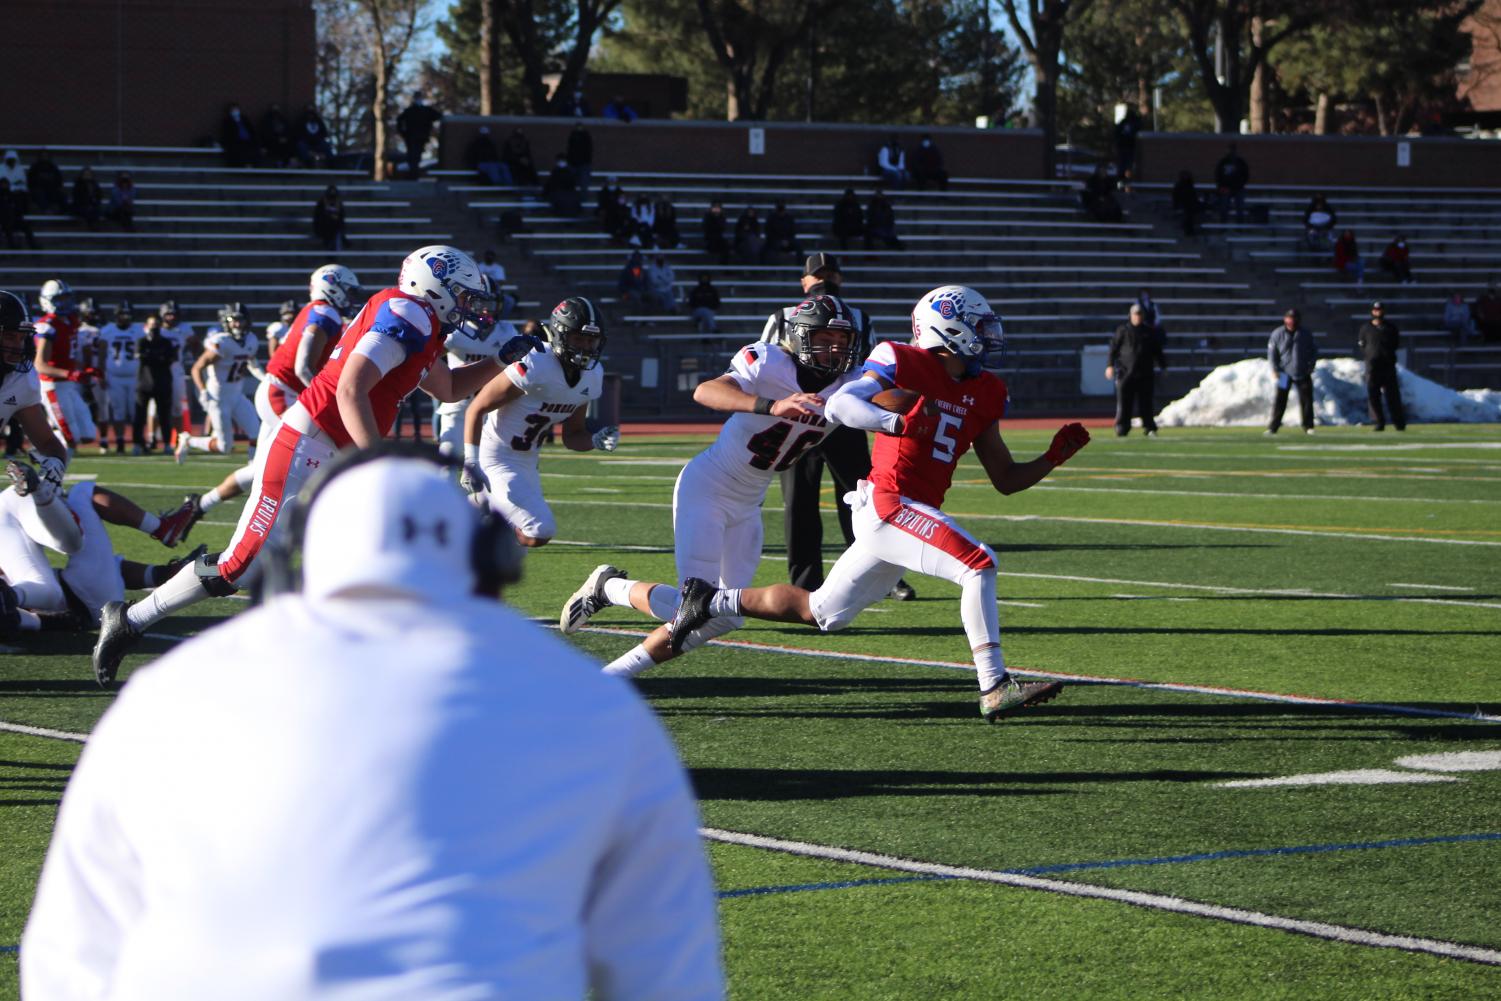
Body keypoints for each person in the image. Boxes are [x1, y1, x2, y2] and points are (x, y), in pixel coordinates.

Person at [27, 448, 725, 1000]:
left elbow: (71, 955)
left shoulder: (173, 691)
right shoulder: (587, 704)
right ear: (489, 559)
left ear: (300, 556)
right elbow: (666, 972)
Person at [663, 286, 1090, 723]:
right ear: (950, 327)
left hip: (911, 513)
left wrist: (1053, 457)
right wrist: (898, 421)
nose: (988, 335)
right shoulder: (901, 359)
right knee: (978, 563)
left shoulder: (986, 391)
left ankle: (711, 602)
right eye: (979, 327)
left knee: (822, 612)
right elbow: (844, 404)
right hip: (889, 504)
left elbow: (1006, 480)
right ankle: (994, 685)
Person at [93, 245, 506, 685]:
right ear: (434, 286)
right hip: (308, 446)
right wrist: (376, 465)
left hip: (331, 451)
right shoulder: (409, 313)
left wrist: (503, 358)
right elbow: (350, 390)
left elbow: (447, 388)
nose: (467, 306)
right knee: (239, 567)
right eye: (461, 295)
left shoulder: (420, 321)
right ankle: (130, 620)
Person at [558, 294, 860, 677]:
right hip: (708, 488)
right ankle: (609, 671)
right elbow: (705, 391)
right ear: (801, 337)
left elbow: (891, 397)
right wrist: (772, 405)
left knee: (725, 615)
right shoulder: (768, 361)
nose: (835, 348)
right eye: (824, 338)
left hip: (749, 502)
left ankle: (609, 591)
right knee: (696, 603)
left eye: (842, 340)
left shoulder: (852, 383)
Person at [758, 253, 911, 599]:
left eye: (831, 274)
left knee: (862, 499)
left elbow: (875, 369)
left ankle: (880, 574)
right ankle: (805, 583)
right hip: (798, 420)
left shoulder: (859, 318)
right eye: (817, 274)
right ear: (804, 282)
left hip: (844, 420)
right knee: (799, 504)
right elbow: (767, 365)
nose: (825, 280)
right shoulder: (782, 318)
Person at [461, 297, 619, 548]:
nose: (586, 347)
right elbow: (477, 408)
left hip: (528, 462)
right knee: (538, 531)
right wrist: (471, 462)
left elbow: (573, 435)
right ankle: (472, 521)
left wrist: (595, 440)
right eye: (579, 338)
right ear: (559, 335)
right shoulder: (536, 363)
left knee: (530, 538)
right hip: (496, 458)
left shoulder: (593, 376)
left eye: (591, 340)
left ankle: (473, 508)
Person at [2, 457, 203, 639]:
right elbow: (45, 592)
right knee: (82, 493)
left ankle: (167, 573)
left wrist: (38, 622)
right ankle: (162, 529)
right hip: (86, 596)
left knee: (107, 563)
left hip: (83, 603)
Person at [433, 276, 521, 457]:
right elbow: (429, 358)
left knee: (489, 464)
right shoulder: (456, 329)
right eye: (481, 303)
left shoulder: (507, 331)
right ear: (470, 304)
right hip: (458, 405)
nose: (487, 309)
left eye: (491, 303)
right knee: (448, 460)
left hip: (492, 407)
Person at [176, 303, 261, 459]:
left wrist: (264, 378)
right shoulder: (222, 342)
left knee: (258, 434)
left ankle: (253, 471)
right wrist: (202, 391)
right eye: (233, 320)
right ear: (226, 322)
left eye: (240, 320)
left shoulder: (251, 339)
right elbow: (196, 368)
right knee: (225, 446)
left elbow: (252, 363)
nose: (237, 324)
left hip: (237, 396)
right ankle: (188, 440)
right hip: (218, 398)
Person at [33, 278, 99, 450]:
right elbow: (40, 365)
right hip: (53, 386)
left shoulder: (70, 322)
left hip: (69, 385)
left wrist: (85, 371)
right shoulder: (47, 326)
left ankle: (42, 444)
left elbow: (68, 356)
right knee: (69, 438)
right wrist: (70, 374)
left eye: (66, 298)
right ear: (47, 301)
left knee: (88, 434)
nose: (64, 303)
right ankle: (43, 455)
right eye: (59, 299)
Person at [1106, 303, 1166, 437]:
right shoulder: (1123, 330)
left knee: (1146, 402)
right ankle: (1122, 426)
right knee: (1125, 402)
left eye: (1139, 314)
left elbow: (1157, 351)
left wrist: (1163, 366)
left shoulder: (1149, 332)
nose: (1137, 317)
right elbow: (1113, 349)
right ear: (1130, 315)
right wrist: (1110, 365)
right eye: (1135, 314)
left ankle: (1149, 426)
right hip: (1126, 372)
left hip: (1145, 373)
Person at [97, 302, 145, 453]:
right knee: (118, 411)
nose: (126, 317)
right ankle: (120, 441)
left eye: (128, 314)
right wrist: (101, 374)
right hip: (114, 377)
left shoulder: (139, 330)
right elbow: (102, 354)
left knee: (135, 411)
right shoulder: (108, 331)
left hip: (135, 377)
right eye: (123, 314)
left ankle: (138, 441)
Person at [1265, 308, 1317, 435]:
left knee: (1306, 400)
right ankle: (1274, 426)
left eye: (1294, 318)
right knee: (1280, 400)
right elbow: (1272, 353)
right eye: (1290, 318)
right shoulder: (1278, 334)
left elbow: (1313, 351)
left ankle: (1308, 426)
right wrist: (1275, 369)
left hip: (1302, 372)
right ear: (1285, 319)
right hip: (1284, 373)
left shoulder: (1305, 334)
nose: (1292, 321)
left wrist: (1311, 366)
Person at [135, 314, 180, 456]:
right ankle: (138, 444)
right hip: (144, 383)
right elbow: (143, 358)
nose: (154, 328)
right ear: (146, 326)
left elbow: (171, 358)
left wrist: (154, 356)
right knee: (140, 415)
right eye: (151, 324)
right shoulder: (142, 341)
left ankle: (167, 443)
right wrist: (158, 357)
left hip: (163, 383)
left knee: (164, 416)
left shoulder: (165, 342)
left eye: (156, 325)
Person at [1357, 301, 1405, 432]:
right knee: (1373, 396)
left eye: (1380, 310)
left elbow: (1395, 344)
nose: (1378, 313)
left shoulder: (1390, 328)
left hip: (1388, 366)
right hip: (1373, 367)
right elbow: (1362, 345)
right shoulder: (1366, 328)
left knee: (1392, 396)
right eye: (1375, 310)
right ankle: (1379, 421)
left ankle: (1399, 422)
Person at [395, 91, 441, 177]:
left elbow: (438, 116)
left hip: (421, 137)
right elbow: (399, 121)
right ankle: (413, 173)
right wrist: (403, 133)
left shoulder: (426, 110)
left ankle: (414, 173)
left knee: (416, 155)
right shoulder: (409, 111)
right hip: (411, 137)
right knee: (412, 155)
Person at [1214, 142, 1249, 223]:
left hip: (1238, 188)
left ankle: (1239, 228)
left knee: (1240, 209)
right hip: (1225, 188)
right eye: (1230, 149)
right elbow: (1218, 174)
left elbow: (1246, 174)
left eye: (1233, 150)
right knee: (1224, 208)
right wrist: (1220, 186)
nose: (1231, 151)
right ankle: (1223, 228)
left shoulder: (1240, 162)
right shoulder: (1223, 162)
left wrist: (1241, 184)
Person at [219, 102, 260, 167]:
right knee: (240, 150)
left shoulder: (244, 119)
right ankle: (244, 165)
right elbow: (227, 135)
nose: (235, 111)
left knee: (255, 148)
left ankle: (254, 166)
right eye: (233, 110)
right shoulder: (227, 121)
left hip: (248, 140)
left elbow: (251, 130)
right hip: (237, 141)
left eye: (236, 109)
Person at [0, 178, 37, 248]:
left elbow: (18, 211)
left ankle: (33, 246)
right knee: (7, 229)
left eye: (6, 185)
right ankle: (12, 248)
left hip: (13, 221)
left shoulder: (13, 196)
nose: (4, 186)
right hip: (3, 223)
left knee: (26, 227)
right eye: (2, 185)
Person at [294, 104, 334, 168]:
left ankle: (332, 164)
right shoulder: (300, 121)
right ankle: (308, 163)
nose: (310, 114)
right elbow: (297, 134)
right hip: (306, 143)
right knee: (301, 145)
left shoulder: (318, 121)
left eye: (311, 110)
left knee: (326, 145)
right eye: (308, 110)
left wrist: (317, 139)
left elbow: (324, 133)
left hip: (318, 143)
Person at [26, 149, 65, 213]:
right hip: (38, 190)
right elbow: (30, 181)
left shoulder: (53, 167)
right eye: (43, 156)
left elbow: (59, 181)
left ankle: (55, 209)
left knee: (59, 194)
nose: (44, 157)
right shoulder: (34, 167)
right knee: (38, 193)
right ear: (39, 157)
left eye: (46, 155)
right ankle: (46, 209)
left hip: (51, 190)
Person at [312, 184, 347, 252]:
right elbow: (318, 216)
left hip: (335, 226)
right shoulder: (322, 202)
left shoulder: (338, 202)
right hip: (324, 226)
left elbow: (341, 216)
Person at [1114, 107, 1142, 187]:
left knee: (1128, 164)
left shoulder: (1133, 122)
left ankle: (1127, 179)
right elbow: (1117, 133)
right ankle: (1122, 180)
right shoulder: (1124, 123)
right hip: (1124, 147)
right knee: (1124, 164)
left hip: (1130, 147)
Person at [1171, 169, 1203, 236]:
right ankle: (1188, 231)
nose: (1186, 177)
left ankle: (1190, 230)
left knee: (1190, 216)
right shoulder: (1179, 186)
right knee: (1188, 216)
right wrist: (1176, 205)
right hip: (1185, 205)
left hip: (1191, 205)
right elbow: (1176, 196)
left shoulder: (1190, 185)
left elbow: (1193, 196)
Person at [567, 121, 593, 194]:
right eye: (578, 127)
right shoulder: (573, 135)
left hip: (584, 162)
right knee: (571, 181)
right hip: (574, 162)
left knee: (584, 182)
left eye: (580, 127)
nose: (579, 128)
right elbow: (570, 149)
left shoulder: (586, 136)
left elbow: (589, 149)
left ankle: (582, 196)